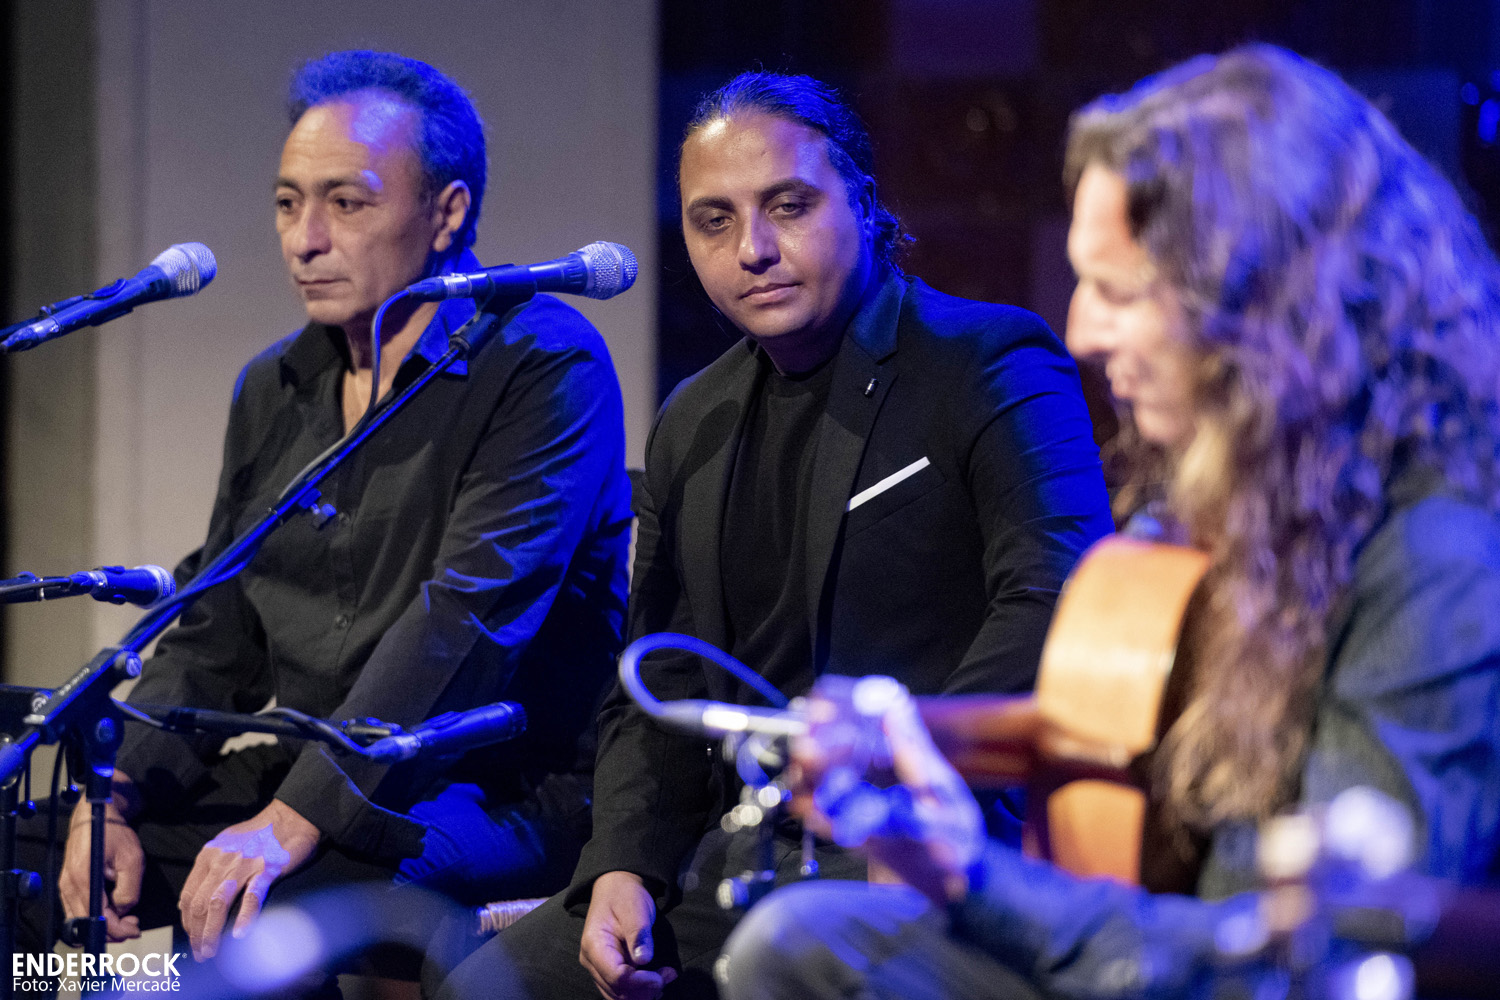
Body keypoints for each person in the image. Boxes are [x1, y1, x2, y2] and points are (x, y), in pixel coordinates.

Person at [717, 44, 1500, 1000]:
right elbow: (1128, 722)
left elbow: (1305, 960)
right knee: (799, 937)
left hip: (1226, 971)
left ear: (1265, 309)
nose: (1081, 330)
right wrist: (912, 732)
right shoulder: (1266, 504)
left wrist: (971, 877)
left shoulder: (1433, 563)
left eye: (1121, 292)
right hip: (1163, 941)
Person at [436, 71, 1114, 1000]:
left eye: (788, 206)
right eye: (713, 221)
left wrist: (907, 777)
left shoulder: (989, 360)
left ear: (864, 203)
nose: (752, 250)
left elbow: (1053, 602)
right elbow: (657, 680)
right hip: (745, 851)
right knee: (485, 988)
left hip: (929, 838)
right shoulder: (693, 418)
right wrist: (624, 866)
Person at [17, 49, 632, 983]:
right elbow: (215, 630)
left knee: (268, 900)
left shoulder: (545, 365)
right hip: (313, 767)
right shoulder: (275, 386)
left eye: (346, 202)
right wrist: (118, 798)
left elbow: (464, 624)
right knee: (26, 855)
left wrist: (291, 820)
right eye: (286, 203)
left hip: (499, 783)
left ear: (447, 212)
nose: (304, 239)